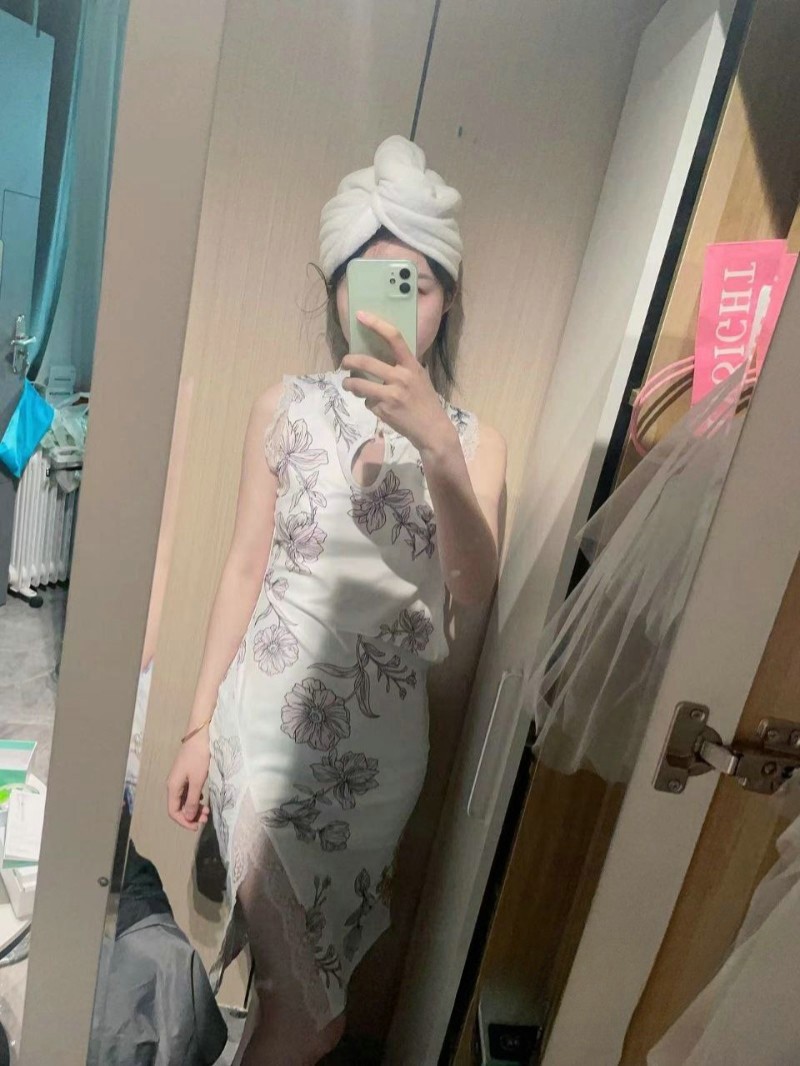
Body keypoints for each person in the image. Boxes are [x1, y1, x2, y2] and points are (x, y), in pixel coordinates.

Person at [166, 134, 507, 1065]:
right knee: (314, 1016)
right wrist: (196, 725)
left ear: (446, 302)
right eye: (374, 281)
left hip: (380, 769)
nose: (397, 306)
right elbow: (244, 567)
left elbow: (474, 592)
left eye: (418, 285)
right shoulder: (284, 408)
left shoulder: (476, 444)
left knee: (300, 996)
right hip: (265, 734)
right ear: (338, 294)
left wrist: (439, 451)